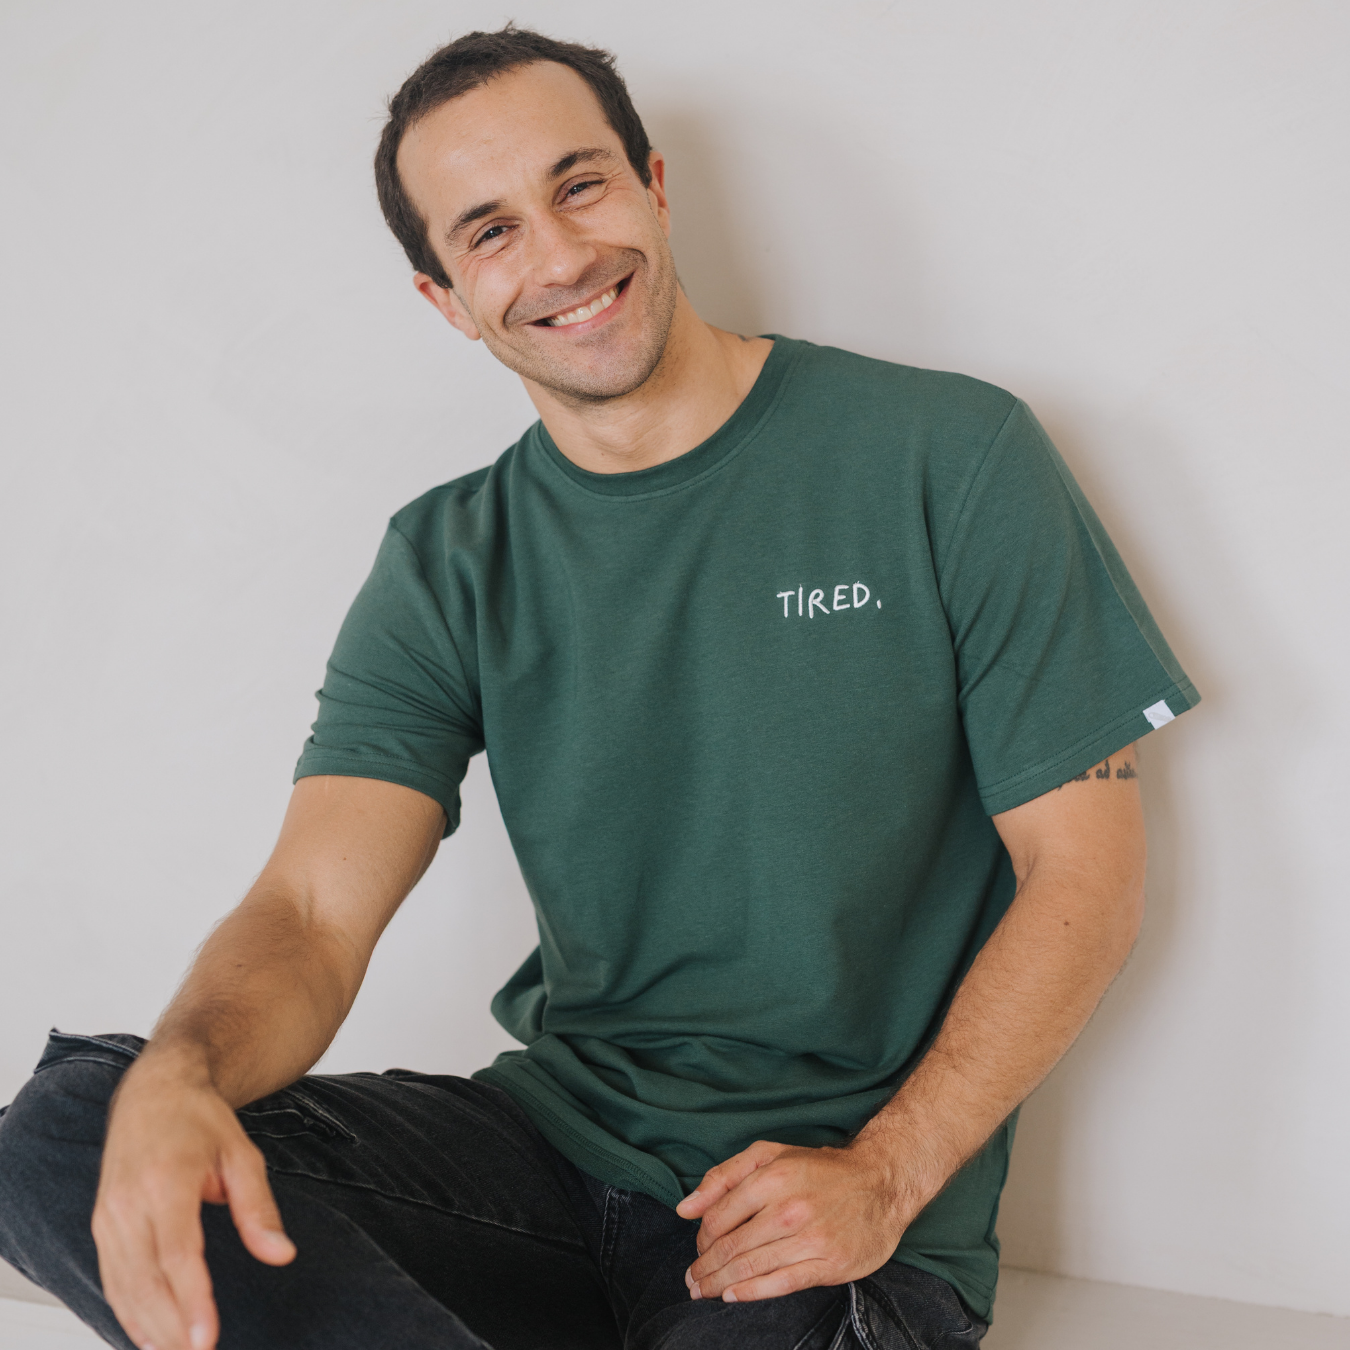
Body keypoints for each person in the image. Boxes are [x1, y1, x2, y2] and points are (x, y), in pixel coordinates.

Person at [0, 23, 1198, 1350]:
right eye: (491, 231)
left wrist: (887, 1173)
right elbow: (311, 910)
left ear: (653, 187)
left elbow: (1085, 875)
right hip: (551, 1157)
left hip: (817, 1199)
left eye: (580, 185)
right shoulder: (448, 558)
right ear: (445, 299)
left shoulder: (947, 454)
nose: (562, 257)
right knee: (72, 1130)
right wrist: (185, 1073)